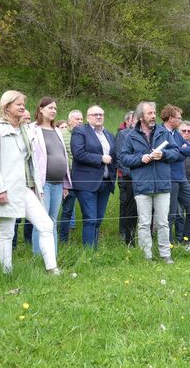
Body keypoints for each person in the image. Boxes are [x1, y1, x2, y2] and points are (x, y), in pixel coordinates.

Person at [0, 91, 61, 274]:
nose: (22, 107)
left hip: (25, 188)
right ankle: (7, 272)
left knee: (46, 225)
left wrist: (36, 186)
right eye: (18, 104)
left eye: (23, 104)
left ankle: (52, 268)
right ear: (7, 106)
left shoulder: (26, 129)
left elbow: (31, 161)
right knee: (7, 231)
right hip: (6, 188)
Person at [121, 102, 179, 264]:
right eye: (149, 113)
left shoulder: (163, 132)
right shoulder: (130, 136)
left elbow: (176, 152)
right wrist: (140, 158)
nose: (153, 116)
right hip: (142, 186)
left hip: (162, 185)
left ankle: (165, 255)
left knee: (162, 222)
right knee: (144, 223)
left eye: (154, 113)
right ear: (141, 117)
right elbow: (124, 158)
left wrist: (164, 154)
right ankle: (146, 256)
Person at [29, 97, 71, 255]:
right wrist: (32, 184)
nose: (53, 111)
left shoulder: (57, 131)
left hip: (58, 183)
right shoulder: (32, 129)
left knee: (53, 220)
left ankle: (51, 257)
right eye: (50, 108)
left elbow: (64, 156)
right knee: (41, 221)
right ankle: (38, 256)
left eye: (55, 108)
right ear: (40, 109)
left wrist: (65, 184)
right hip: (42, 183)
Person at [71, 105, 116, 248]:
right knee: (90, 218)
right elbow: (78, 154)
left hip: (105, 182)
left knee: (98, 219)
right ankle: (89, 252)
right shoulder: (80, 131)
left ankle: (93, 249)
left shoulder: (108, 134)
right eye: (95, 114)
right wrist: (100, 158)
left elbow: (114, 156)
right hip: (86, 182)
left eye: (101, 114)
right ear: (88, 117)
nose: (98, 117)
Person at [161, 105, 190, 251]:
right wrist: (179, 150)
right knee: (170, 215)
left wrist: (177, 150)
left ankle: (185, 240)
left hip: (181, 177)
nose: (180, 120)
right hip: (168, 178)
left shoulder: (176, 134)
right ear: (171, 119)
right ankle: (168, 245)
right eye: (179, 118)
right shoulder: (160, 132)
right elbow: (166, 154)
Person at [59, 110, 83, 242]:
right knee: (67, 210)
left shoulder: (85, 134)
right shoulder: (62, 135)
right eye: (77, 119)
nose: (80, 121)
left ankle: (89, 239)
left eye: (81, 119)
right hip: (69, 178)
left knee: (87, 210)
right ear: (69, 121)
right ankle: (63, 239)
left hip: (84, 178)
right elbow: (62, 158)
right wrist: (64, 183)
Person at [116, 112, 138, 246]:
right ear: (128, 121)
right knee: (125, 204)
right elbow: (120, 157)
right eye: (134, 120)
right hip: (126, 177)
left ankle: (133, 232)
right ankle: (124, 232)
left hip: (138, 177)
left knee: (135, 206)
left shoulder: (140, 135)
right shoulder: (122, 134)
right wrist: (129, 173)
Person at [12, 109, 33, 248]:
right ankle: (12, 244)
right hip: (16, 181)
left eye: (29, 118)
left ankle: (28, 241)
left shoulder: (31, 135)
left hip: (30, 180)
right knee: (16, 216)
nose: (27, 121)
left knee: (31, 216)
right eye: (25, 118)